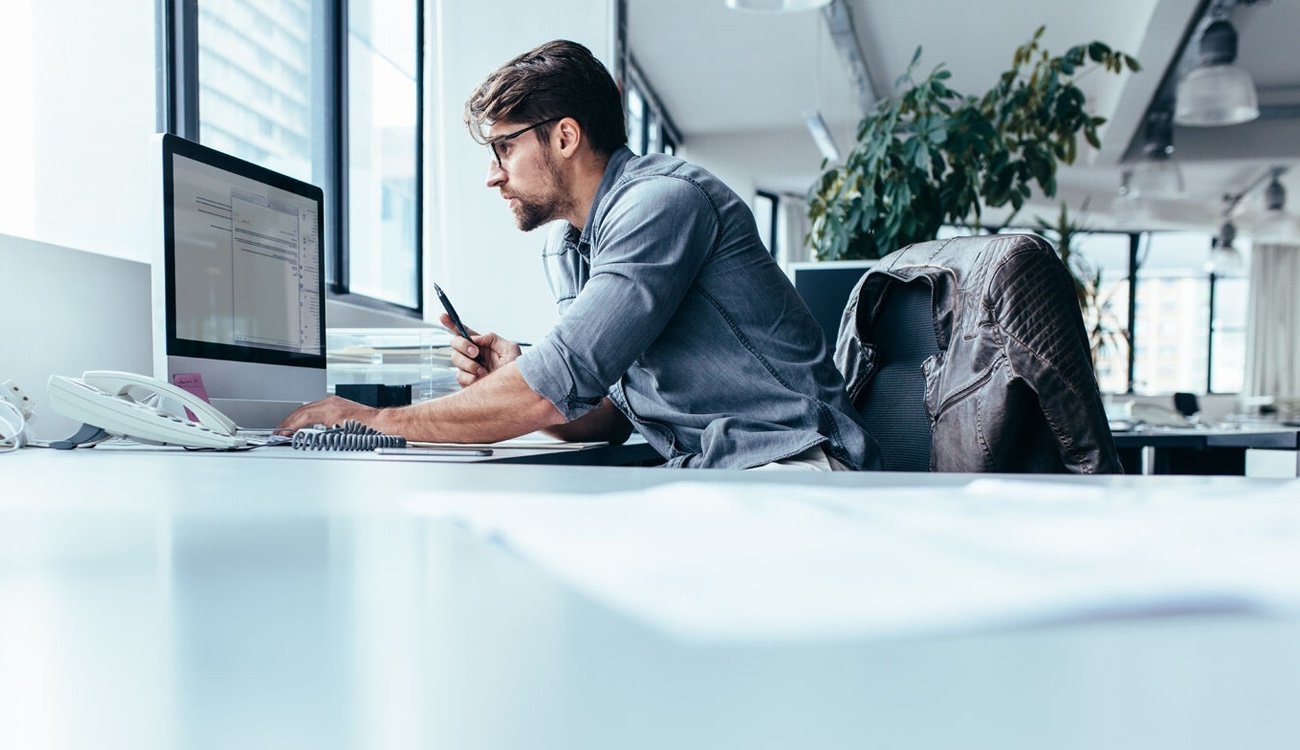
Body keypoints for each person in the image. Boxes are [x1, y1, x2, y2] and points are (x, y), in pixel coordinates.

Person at [279, 39, 879, 470]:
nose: (493, 175)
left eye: (503, 148)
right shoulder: (568, 245)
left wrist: (375, 423)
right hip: (713, 472)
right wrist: (514, 373)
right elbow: (611, 416)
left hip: (793, 464)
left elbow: (553, 384)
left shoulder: (662, 205)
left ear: (565, 137)